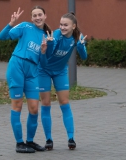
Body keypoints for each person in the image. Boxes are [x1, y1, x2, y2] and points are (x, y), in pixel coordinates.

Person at [0, 6, 51, 153]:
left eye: (40, 14)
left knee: (34, 108)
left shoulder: (47, 36)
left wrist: (44, 52)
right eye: (34, 15)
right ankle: (19, 143)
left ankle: (30, 141)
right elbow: (2, 37)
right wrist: (11, 23)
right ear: (31, 17)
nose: (37, 17)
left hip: (32, 72)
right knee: (18, 105)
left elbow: (44, 63)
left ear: (45, 16)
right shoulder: (25, 26)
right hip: (17, 67)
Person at [39, 12, 87, 150]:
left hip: (60, 71)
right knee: (46, 103)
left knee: (65, 103)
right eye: (61, 24)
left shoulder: (78, 37)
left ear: (73, 26)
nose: (62, 27)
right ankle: (48, 139)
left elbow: (84, 57)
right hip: (44, 70)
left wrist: (81, 47)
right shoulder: (55, 35)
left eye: (65, 25)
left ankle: (71, 138)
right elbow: (48, 55)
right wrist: (51, 43)